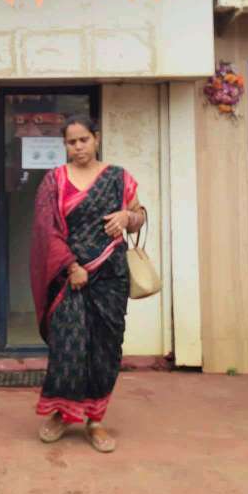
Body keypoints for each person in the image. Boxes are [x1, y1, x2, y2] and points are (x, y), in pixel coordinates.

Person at [29, 115, 145, 454]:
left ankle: (95, 419)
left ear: (96, 138)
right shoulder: (54, 180)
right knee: (67, 346)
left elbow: (138, 216)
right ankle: (62, 414)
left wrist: (127, 217)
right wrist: (71, 266)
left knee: (105, 347)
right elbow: (46, 230)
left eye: (84, 140)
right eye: (71, 142)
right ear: (65, 145)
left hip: (110, 277)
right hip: (69, 278)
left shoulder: (119, 178)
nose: (78, 147)